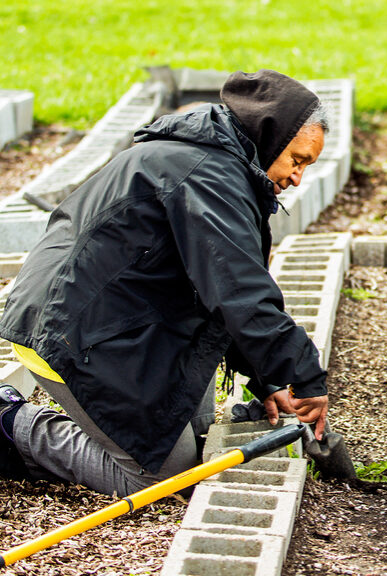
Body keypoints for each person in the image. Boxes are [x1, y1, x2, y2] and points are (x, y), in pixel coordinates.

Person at [0, 69, 329, 497]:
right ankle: (11, 424)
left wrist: (267, 380)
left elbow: (219, 292)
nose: (297, 178)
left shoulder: (219, 165)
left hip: (123, 319)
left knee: (191, 435)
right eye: (297, 160)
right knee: (162, 477)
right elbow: (241, 293)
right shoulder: (206, 175)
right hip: (67, 329)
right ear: (269, 135)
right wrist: (305, 378)